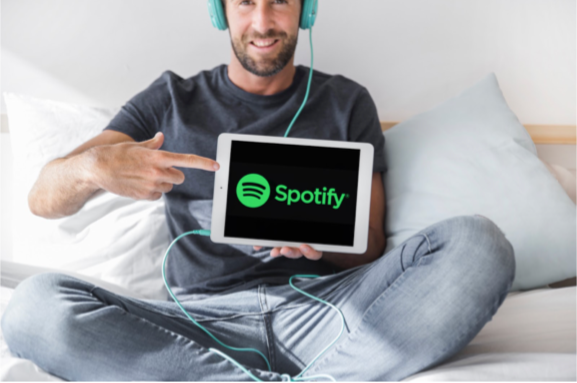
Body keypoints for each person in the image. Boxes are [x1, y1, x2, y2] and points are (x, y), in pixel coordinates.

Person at [1, 0, 516, 381]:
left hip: (330, 312)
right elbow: (41, 199)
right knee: (32, 308)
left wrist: (328, 245)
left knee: (480, 243)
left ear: (307, 11)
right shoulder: (169, 101)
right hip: (196, 323)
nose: (264, 22)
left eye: (281, 3)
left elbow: (372, 246)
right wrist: (94, 167)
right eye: (246, 3)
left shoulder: (346, 102)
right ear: (221, 12)